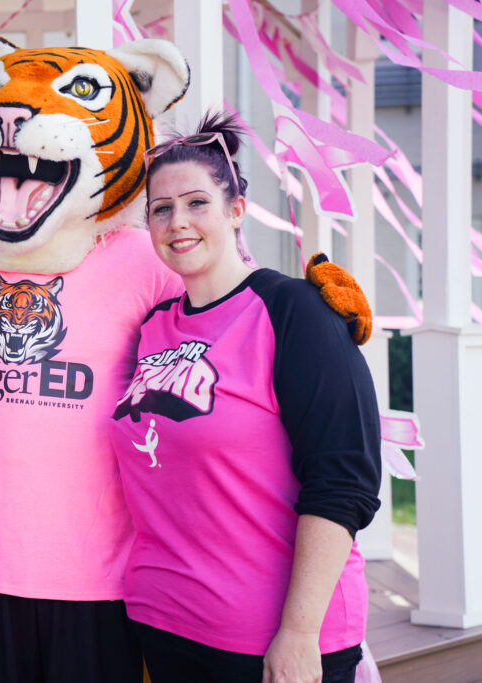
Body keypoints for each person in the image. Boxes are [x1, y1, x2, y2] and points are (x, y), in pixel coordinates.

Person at [108, 112, 382, 683]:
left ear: (236, 210)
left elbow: (344, 481)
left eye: (196, 202)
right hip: (166, 623)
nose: (177, 222)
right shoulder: (153, 327)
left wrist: (300, 634)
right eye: (161, 209)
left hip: (272, 639)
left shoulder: (295, 312)